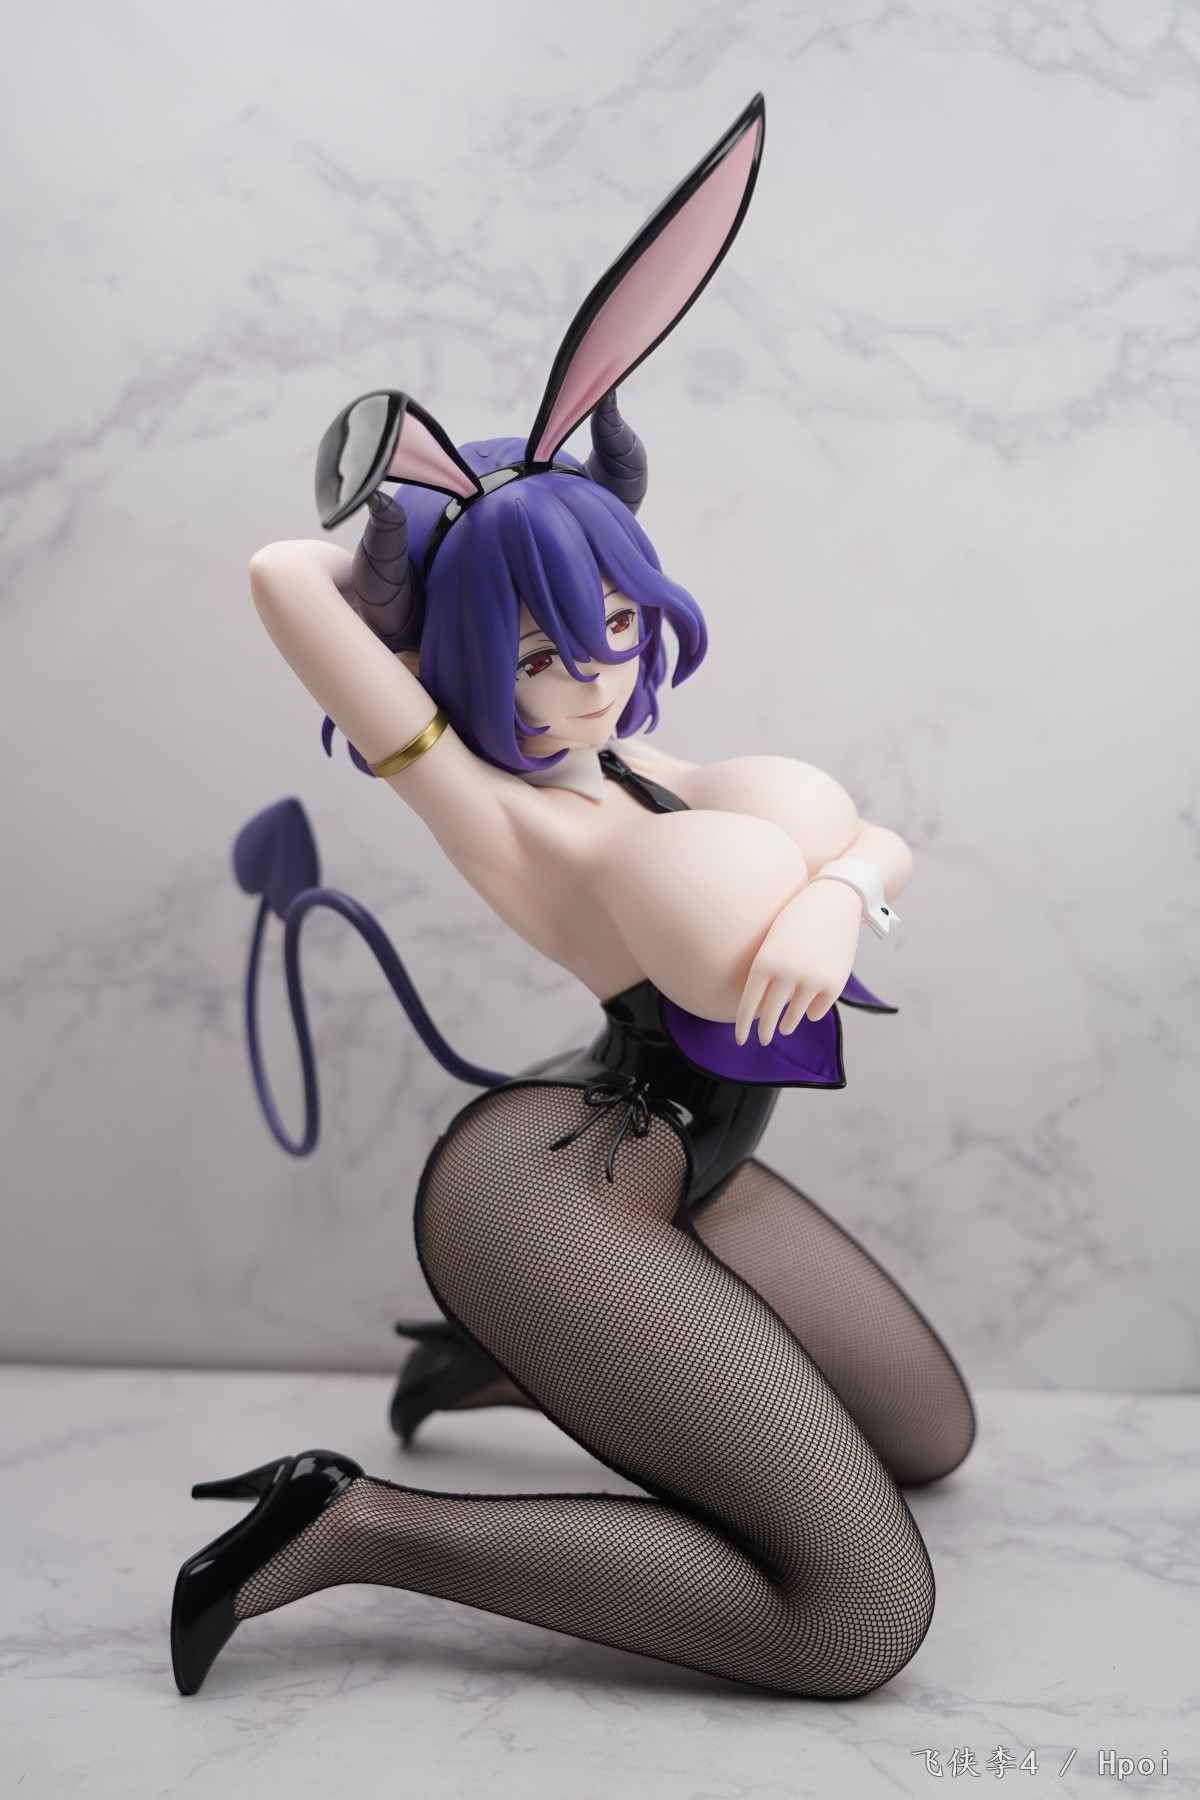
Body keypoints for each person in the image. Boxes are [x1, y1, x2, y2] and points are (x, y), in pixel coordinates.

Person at [171, 95, 975, 1703]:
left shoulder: (653, 766)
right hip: (549, 1191)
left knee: (931, 1436)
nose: (596, 669)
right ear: (461, 663)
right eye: (541, 649)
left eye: (613, 617)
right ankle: (352, 1525)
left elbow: (875, 838)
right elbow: (279, 573)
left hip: (692, 1157)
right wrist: (448, 530)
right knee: (856, 1619)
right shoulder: (487, 805)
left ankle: (517, 1362)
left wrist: (841, 895)